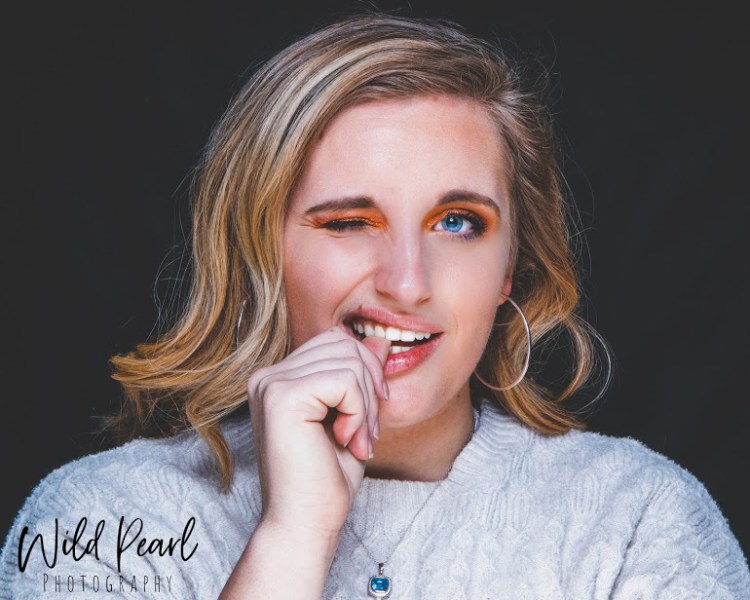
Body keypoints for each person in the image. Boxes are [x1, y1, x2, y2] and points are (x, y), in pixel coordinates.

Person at [1, 13, 748, 600]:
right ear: (259, 249)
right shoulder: (102, 521)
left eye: (458, 222)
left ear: (511, 268)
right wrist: (292, 538)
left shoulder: (637, 518)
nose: (408, 281)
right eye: (350, 222)